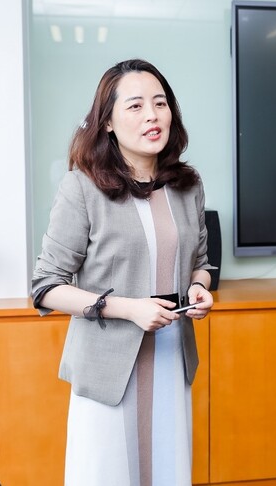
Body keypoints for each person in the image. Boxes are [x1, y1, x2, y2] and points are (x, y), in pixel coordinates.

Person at [31, 58, 215, 485]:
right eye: (135, 105)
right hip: (107, 371)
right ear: (108, 122)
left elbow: (201, 264)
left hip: (171, 361)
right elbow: (46, 286)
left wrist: (199, 288)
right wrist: (128, 308)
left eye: (160, 103)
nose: (153, 115)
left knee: (167, 473)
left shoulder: (187, 186)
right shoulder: (82, 187)